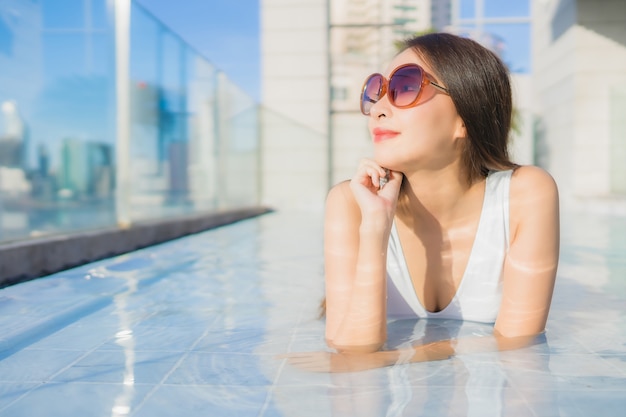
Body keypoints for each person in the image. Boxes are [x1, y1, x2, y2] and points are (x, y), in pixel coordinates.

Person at [286, 32, 559, 373]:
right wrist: (375, 228)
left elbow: (520, 343)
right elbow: (354, 349)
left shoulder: (525, 194)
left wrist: (396, 357)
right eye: (376, 91)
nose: (378, 110)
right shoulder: (350, 203)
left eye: (405, 86)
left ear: (464, 117)